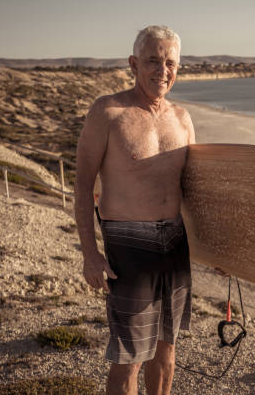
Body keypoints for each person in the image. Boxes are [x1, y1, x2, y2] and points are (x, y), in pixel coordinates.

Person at [75, 25, 195, 395]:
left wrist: (218, 250)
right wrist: (90, 255)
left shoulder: (182, 118)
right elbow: (81, 187)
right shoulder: (107, 112)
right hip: (128, 243)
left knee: (166, 351)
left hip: (175, 243)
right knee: (129, 357)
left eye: (170, 62)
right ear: (133, 64)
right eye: (153, 61)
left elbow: (194, 192)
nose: (163, 70)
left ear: (178, 67)